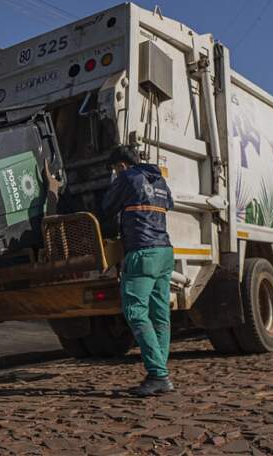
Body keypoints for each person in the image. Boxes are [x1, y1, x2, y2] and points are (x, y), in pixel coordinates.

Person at [101, 146, 175, 396]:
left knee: (135, 311)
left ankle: (158, 374)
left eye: (114, 168)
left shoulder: (127, 178)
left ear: (121, 165)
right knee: (160, 314)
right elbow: (170, 205)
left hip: (143, 252)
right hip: (165, 252)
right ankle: (160, 373)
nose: (115, 172)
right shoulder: (160, 181)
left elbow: (107, 207)